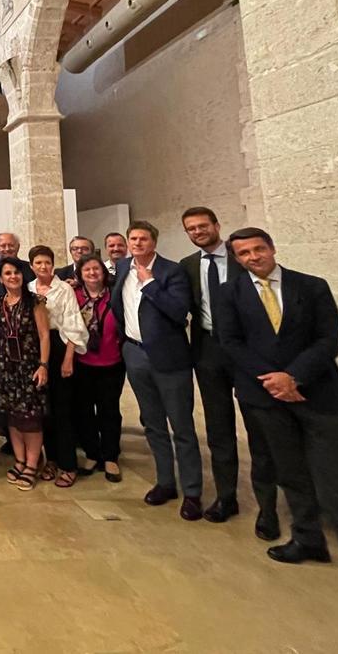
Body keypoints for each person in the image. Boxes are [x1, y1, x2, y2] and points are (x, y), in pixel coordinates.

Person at [214, 228, 338, 614]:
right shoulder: (230, 294)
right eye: (244, 253)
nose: (253, 257)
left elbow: (329, 339)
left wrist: (294, 376)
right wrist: (273, 381)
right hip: (265, 396)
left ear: (272, 249)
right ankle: (307, 539)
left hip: (316, 392)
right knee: (291, 472)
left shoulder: (311, 286)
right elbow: (231, 342)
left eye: (259, 249)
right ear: (237, 260)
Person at [180, 207, 279, 532]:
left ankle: (268, 507)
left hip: (249, 352)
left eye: (203, 226)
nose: (198, 232)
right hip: (208, 349)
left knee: (259, 428)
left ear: (216, 226)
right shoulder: (189, 266)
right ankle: (226, 497)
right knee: (219, 427)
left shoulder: (241, 259)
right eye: (192, 229)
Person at [111, 221, 203, 520]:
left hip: (169, 358)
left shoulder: (172, 270)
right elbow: (117, 307)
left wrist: (149, 282)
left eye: (143, 239)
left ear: (154, 242)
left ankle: (192, 491)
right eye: (133, 238)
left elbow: (179, 311)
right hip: (135, 353)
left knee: (182, 426)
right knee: (152, 423)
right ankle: (166, 481)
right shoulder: (123, 267)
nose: (137, 243)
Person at [27, 245, 89, 487]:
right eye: (38, 263)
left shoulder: (63, 289)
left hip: (59, 345)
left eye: (47, 262)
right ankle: (50, 459)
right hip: (36, 350)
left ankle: (68, 464)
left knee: (63, 409)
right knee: (45, 410)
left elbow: (74, 323)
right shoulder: (29, 288)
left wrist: (68, 358)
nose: (43, 267)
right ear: (31, 265)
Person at [0, 257, 51, 492]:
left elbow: (45, 335)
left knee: (31, 419)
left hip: (30, 367)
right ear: (0, 278)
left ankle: (33, 464)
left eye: (16, 272)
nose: (13, 277)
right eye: (7, 273)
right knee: (13, 418)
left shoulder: (35, 302)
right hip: (7, 367)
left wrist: (43, 365)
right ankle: (19, 460)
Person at [73, 255, 125, 483]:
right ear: (80, 274)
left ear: (104, 272)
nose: (92, 273)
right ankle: (93, 453)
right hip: (83, 363)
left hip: (112, 362)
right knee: (84, 411)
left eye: (96, 269)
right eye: (87, 270)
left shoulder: (116, 295)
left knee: (109, 410)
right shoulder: (74, 296)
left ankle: (111, 456)